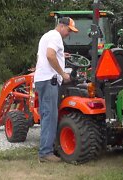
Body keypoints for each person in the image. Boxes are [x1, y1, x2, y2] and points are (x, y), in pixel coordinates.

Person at [34, 17, 78, 163]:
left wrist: (61, 56)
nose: (69, 34)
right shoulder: (56, 36)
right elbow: (50, 55)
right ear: (62, 26)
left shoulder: (46, 36)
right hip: (49, 80)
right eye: (69, 30)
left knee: (46, 114)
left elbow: (45, 55)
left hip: (42, 79)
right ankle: (45, 153)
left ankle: (46, 149)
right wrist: (63, 73)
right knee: (50, 116)